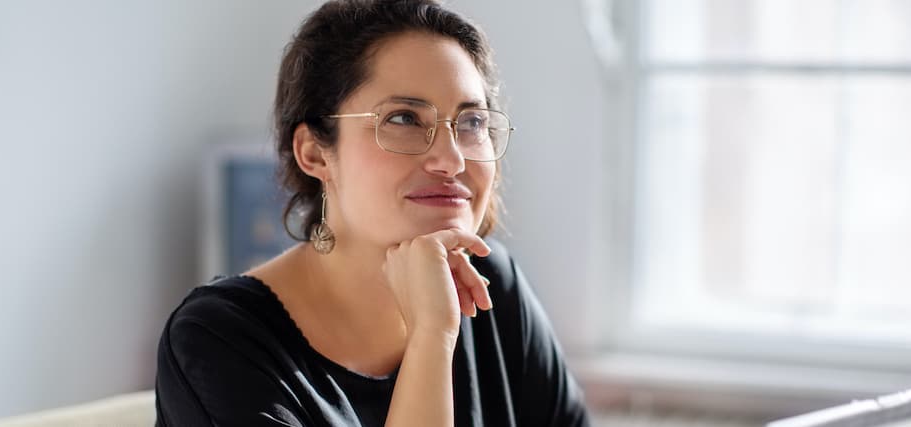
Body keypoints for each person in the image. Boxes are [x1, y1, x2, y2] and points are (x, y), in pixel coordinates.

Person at [154, 0, 591, 425]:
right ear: (315, 154)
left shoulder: (495, 286)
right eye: (403, 119)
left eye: (472, 122)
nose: (452, 159)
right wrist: (431, 338)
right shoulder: (218, 340)